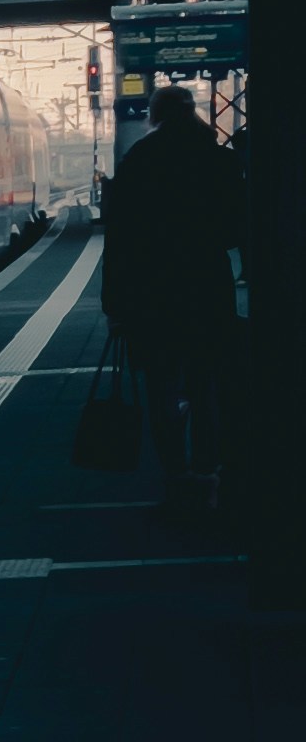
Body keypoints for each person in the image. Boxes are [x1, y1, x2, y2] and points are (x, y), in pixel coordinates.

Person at [100, 83, 242, 502]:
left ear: (155, 115)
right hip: (206, 286)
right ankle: (206, 466)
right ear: (193, 111)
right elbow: (237, 226)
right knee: (206, 382)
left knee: (160, 385)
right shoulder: (220, 160)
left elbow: (119, 239)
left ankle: (174, 472)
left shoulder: (137, 162)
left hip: (151, 293)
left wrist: (114, 303)